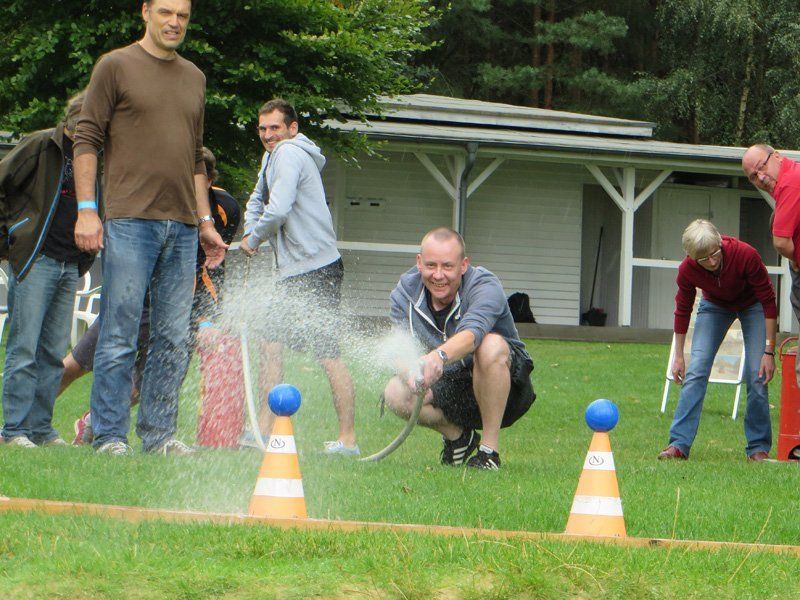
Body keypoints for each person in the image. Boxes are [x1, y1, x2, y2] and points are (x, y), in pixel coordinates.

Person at [72, 0, 227, 456]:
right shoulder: (115, 66)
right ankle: (110, 436)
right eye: (165, 12)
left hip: (180, 228)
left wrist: (204, 221)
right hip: (128, 221)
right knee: (119, 332)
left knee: (173, 336)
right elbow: (87, 139)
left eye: (182, 14)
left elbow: (195, 157)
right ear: (145, 12)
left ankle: (158, 436)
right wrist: (86, 209)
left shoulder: (194, 77)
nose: (174, 22)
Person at [63, 148, 240, 446]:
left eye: (198, 182)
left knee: (143, 386)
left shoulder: (225, 209)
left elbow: (211, 269)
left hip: (178, 310)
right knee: (75, 365)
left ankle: (92, 422)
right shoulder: (159, 200)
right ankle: (27, 421)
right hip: (137, 300)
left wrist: (205, 317)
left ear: (208, 181)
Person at [240, 98, 357, 455]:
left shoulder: (290, 153)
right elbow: (257, 203)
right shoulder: (270, 159)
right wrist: (250, 232)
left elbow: (278, 208)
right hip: (291, 271)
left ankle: (348, 440)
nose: (268, 135)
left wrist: (255, 238)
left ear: (292, 128)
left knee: (327, 353)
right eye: (262, 129)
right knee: (270, 345)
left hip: (317, 267)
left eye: (275, 127)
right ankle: (261, 430)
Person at [382, 227, 536, 470]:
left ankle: (488, 452)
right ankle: (459, 437)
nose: (438, 275)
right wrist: (410, 373)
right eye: (431, 265)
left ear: (463, 265)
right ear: (419, 263)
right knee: (394, 392)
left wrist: (438, 356)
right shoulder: (404, 293)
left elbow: (471, 335)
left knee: (491, 345)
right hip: (451, 383)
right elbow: (398, 346)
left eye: (447, 266)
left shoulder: (485, 285)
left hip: (507, 391)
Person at [0, 90, 98, 447]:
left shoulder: (95, 157)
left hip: (70, 263)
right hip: (36, 259)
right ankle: (13, 430)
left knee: (54, 352)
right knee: (23, 348)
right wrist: (11, 237)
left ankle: (40, 429)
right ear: (76, 118)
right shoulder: (42, 145)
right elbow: (3, 184)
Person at [658, 220, 776, 462]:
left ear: (720, 243)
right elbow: (682, 309)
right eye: (703, 259)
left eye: (714, 254)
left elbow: (768, 301)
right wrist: (679, 356)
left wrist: (769, 351)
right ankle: (678, 444)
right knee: (696, 370)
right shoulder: (687, 269)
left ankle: (758, 448)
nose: (711, 262)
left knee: (757, 375)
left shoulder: (745, 254)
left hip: (753, 305)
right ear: (691, 257)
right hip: (715, 307)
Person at [742, 143, 800, 387]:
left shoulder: (790, 182)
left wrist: (797, 263)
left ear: (776, 155)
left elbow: (780, 241)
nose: (761, 177)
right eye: (753, 176)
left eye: (762, 167)